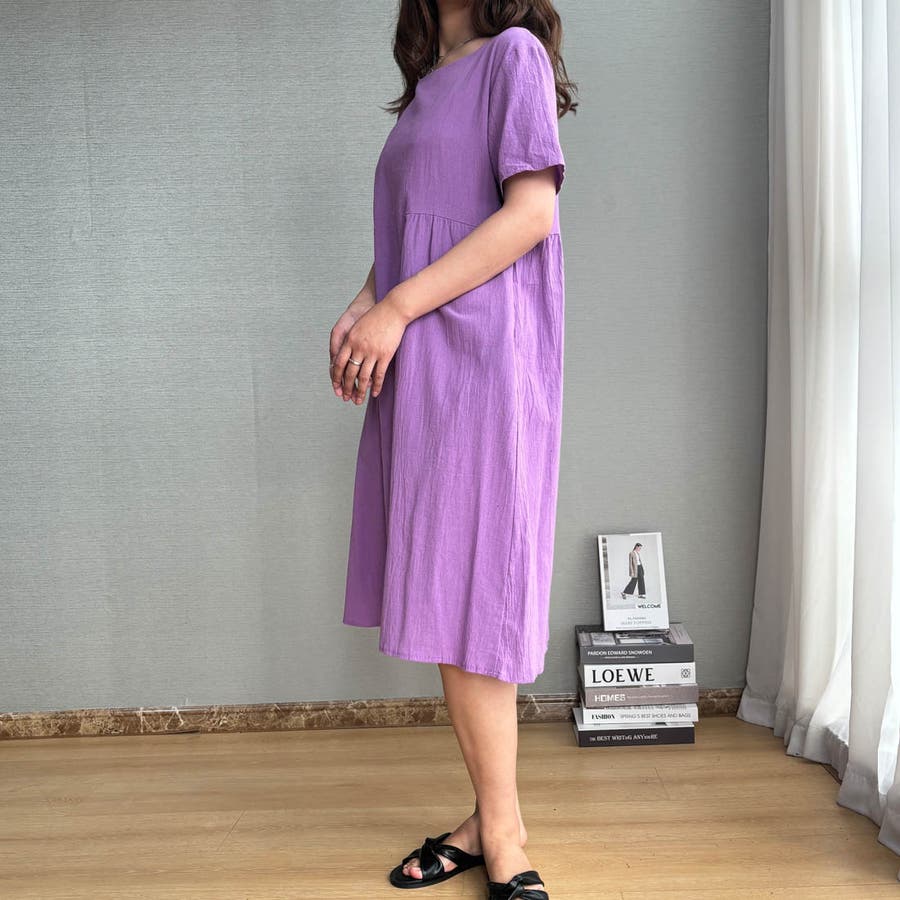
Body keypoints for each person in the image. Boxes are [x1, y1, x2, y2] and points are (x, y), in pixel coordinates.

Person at [329, 2, 576, 897]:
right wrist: (368, 302)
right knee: (451, 591)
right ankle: (487, 820)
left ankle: (502, 835)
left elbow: (531, 214)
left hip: (481, 356)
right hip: (424, 360)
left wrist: (396, 308)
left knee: (476, 591)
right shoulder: (433, 81)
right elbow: (419, 225)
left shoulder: (513, 54)